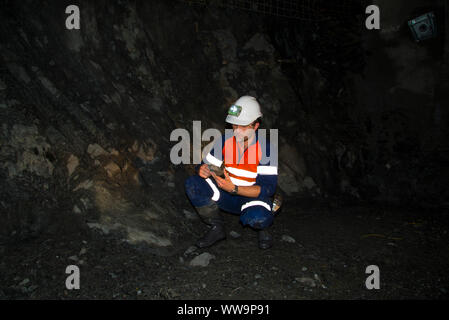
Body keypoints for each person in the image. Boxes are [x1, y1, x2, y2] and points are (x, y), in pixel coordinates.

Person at [184, 96, 279, 250]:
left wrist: (235, 188)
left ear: (255, 126)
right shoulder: (225, 141)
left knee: (258, 218)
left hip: (250, 198)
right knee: (193, 184)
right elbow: (206, 165)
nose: (237, 131)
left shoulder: (266, 149)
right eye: (235, 125)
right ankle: (217, 228)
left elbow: (268, 188)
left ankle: (263, 227)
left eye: (243, 126)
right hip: (225, 195)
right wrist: (201, 169)